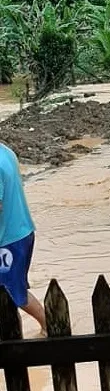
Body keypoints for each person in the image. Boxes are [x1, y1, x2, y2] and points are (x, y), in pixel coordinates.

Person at [0, 143, 46, 334]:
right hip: (22, 231)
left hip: (7, 241)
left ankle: (49, 327)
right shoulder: (5, 150)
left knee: (12, 292)